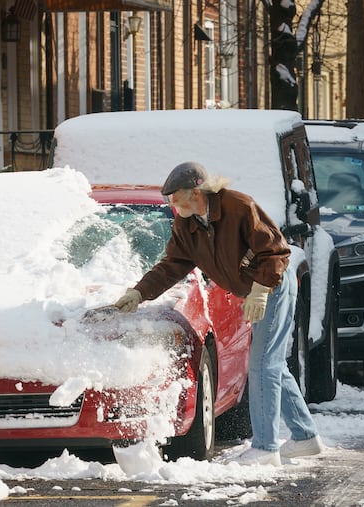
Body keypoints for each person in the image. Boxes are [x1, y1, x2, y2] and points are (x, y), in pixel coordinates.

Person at [113, 161, 325, 466]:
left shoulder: (238, 206)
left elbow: (276, 251)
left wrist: (261, 290)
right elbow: (172, 265)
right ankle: (305, 437)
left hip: (274, 285)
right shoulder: (187, 225)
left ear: (195, 192)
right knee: (272, 364)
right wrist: (138, 292)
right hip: (253, 290)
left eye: (175, 198)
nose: (172, 204)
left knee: (263, 364)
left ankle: (266, 448)